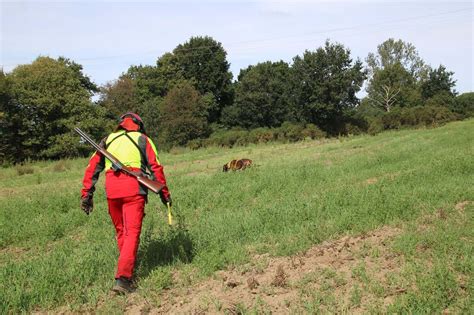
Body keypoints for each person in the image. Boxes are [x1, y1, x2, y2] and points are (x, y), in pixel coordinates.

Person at [80, 112, 171, 294]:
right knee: (132, 234)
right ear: (138, 124)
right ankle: (123, 279)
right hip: (133, 190)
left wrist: (86, 194)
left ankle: (127, 271)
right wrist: (165, 194)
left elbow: (92, 169)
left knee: (122, 232)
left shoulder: (107, 140)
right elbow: (156, 168)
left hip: (112, 192)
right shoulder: (143, 139)